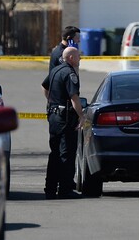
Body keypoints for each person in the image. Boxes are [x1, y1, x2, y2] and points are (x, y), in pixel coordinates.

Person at [41, 46, 85, 199]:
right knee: (66, 153)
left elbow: (44, 87)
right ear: (71, 58)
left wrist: (53, 102)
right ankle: (65, 189)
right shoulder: (70, 73)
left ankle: (50, 188)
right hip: (65, 119)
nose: (80, 59)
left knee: (54, 154)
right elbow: (74, 98)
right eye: (78, 56)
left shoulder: (56, 70)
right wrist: (82, 116)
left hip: (54, 117)